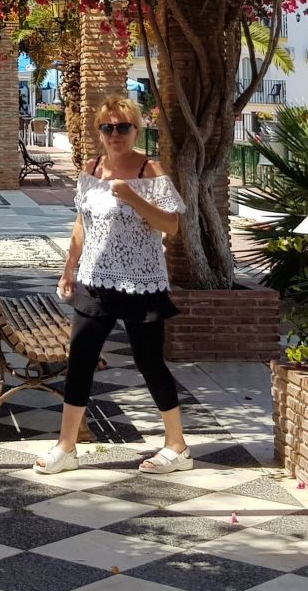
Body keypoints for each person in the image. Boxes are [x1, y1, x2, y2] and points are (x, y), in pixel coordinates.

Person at [37, 95, 192, 476]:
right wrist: (69, 267)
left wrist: (134, 198)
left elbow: (171, 226)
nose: (115, 134)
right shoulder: (91, 167)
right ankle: (66, 446)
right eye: (108, 127)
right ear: (99, 132)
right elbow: (82, 223)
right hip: (95, 280)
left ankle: (177, 446)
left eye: (123, 127)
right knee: (81, 358)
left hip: (140, 282)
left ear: (136, 129)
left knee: (148, 360)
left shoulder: (148, 170)